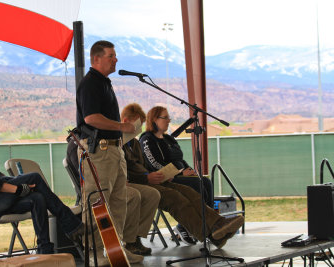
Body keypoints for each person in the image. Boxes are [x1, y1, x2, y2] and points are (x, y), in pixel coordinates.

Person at [0, 99, 84, 254]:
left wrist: (16, 185)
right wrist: (17, 189)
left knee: (38, 198)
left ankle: (45, 252)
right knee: (34, 178)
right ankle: (70, 223)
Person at [122, 103, 244, 249]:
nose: (138, 128)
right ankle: (211, 234)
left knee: (190, 192)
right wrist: (148, 177)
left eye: (140, 124)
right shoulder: (129, 142)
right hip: (142, 183)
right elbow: (126, 172)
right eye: (137, 124)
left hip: (154, 179)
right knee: (176, 197)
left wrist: (158, 175)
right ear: (125, 122)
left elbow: (144, 166)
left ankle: (218, 224)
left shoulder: (134, 144)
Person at [75, 40, 143, 266]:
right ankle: (95, 253)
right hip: (99, 151)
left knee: (118, 202)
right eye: (111, 56)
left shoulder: (104, 83)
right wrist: (122, 126)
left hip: (114, 150)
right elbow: (91, 118)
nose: (116, 60)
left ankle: (116, 249)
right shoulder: (90, 84)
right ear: (96, 59)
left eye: (115, 56)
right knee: (97, 202)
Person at [139, 105, 214, 244]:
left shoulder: (169, 139)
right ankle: (185, 226)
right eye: (165, 117)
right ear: (154, 119)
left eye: (169, 117)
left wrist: (190, 171)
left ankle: (210, 225)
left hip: (181, 175)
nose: (168, 120)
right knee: (197, 185)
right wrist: (180, 172)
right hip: (164, 179)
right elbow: (154, 163)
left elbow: (180, 159)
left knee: (206, 182)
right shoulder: (147, 140)